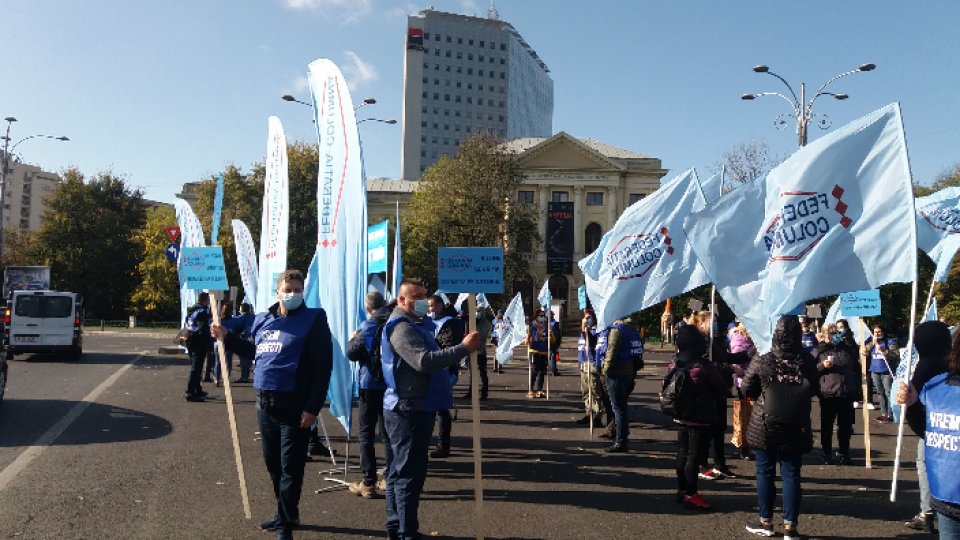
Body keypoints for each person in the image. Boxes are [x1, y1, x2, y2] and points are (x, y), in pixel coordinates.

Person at [213, 269, 333, 540]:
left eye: (297, 289)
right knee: (273, 465)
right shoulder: (263, 320)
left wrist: (312, 408)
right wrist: (227, 337)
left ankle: (285, 524)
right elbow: (254, 352)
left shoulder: (314, 320)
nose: (292, 294)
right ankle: (286, 512)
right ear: (276, 292)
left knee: (291, 467)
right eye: (287, 289)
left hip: (295, 405)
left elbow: (322, 367)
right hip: (265, 404)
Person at [380, 278, 481, 540]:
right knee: (408, 475)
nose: (425, 301)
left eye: (425, 295)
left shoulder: (417, 324)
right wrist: (463, 349)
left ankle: (397, 526)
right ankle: (407, 532)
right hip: (409, 409)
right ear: (402, 300)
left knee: (398, 471)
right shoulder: (401, 327)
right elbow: (423, 361)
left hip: (412, 405)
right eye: (418, 296)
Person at [742, 316, 819, 539]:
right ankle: (790, 528)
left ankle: (766, 522)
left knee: (765, 472)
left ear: (775, 334)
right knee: (792, 474)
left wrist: (764, 394)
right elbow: (813, 388)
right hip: (796, 422)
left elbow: (747, 387)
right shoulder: (806, 360)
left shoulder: (764, 358)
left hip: (765, 422)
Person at [900, 322, 960, 539]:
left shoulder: (933, 377)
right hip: (948, 497)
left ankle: (926, 512)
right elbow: (929, 428)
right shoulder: (939, 384)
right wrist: (912, 403)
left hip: (946, 492)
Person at [670, 324, 726, 511]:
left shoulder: (674, 362)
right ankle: (691, 493)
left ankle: (681, 489)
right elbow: (720, 387)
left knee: (682, 453)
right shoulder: (703, 365)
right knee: (694, 456)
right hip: (700, 415)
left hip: (680, 413)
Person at [345, 291, 393, 499]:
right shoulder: (395, 322)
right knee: (388, 434)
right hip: (391, 384)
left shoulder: (368, 326)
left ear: (367, 307)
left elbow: (352, 353)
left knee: (366, 434)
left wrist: (353, 339)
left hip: (369, 384)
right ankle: (391, 478)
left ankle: (368, 481)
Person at [695, 311, 741, 480]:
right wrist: (731, 369)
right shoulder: (702, 342)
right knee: (706, 430)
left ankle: (720, 465)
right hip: (707, 391)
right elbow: (708, 365)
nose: (715, 324)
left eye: (716, 320)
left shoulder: (717, 341)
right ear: (703, 324)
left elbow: (726, 357)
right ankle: (702, 465)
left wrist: (746, 354)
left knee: (719, 429)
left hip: (720, 390)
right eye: (712, 321)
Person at [814, 321, 861, 465]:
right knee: (827, 426)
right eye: (832, 332)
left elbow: (858, 365)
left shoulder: (846, 349)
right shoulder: (819, 350)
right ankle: (827, 453)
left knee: (845, 426)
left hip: (845, 392)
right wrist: (822, 365)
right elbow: (810, 369)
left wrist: (863, 354)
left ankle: (844, 453)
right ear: (824, 335)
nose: (835, 335)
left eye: (837, 332)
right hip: (828, 393)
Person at [426, 295, 465, 459]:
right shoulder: (429, 322)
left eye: (432, 306)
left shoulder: (450, 323)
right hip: (430, 369)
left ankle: (444, 445)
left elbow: (448, 347)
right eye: (428, 306)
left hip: (444, 371)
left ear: (440, 306)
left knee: (441, 409)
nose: (430, 309)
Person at [597, 318, 644, 453]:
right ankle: (622, 436)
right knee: (621, 407)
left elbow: (611, 351)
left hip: (617, 372)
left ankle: (620, 440)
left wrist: (605, 370)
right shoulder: (631, 329)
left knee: (618, 408)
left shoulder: (617, 330)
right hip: (629, 371)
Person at [577, 309, 610, 427]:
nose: (587, 320)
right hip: (583, 363)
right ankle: (588, 413)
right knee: (586, 391)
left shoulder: (596, 330)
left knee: (594, 391)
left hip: (592, 364)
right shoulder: (583, 331)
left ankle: (597, 415)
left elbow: (591, 342)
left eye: (589, 317)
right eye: (585, 317)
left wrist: (585, 330)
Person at [862, 324, 898, 423]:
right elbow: (865, 349)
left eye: (879, 332)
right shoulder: (873, 343)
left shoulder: (890, 342)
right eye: (875, 332)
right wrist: (866, 349)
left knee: (888, 393)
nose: (877, 334)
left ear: (883, 332)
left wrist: (884, 351)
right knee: (880, 393)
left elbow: (895, 355)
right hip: (875, 370)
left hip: (886, 371)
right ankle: (883, 413)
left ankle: (891, 414)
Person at [183, 292, 213, 402]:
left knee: (196, 367)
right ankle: (190, 392)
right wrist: (209, 341)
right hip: (198, 341)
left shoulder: (192, 310)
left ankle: (197, 389)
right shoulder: (202, 311)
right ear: (206, 300)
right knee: (196, 368)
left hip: (190, 339)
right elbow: (203, 329)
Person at [220, 302, 256, 383]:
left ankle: (244, 377)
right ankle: (246, 376)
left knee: (243, 359)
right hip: (254, 339)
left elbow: (236, 327)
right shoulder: (255, 317)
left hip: (246, 339)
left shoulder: (241, 318)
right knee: (250, 359)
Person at [463, 308, 492, 400]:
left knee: (482, 373)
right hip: (471, 351)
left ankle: (484, 393)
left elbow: (479, 334)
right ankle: (471, 392)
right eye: (475, 311)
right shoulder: (471, 322)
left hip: (480, 351)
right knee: (472, 373)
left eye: (478, 311)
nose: (477, 313)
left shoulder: (486, 323)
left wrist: (473, 325)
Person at [527, 308, 552, 398]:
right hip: (534, 351)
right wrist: (527, 341)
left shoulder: (547, 326)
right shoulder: (531, 326)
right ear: (536, 317)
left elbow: (552, 340)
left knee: (542, 372)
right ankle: (530, 390)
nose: (542, 317)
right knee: (534, 371)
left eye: (543, 316)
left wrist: (550, 335)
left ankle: (539, 390)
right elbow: (527, 338)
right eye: (540, 316)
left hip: (544, 352)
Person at [213, 301, 234, 387]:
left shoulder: (218, 320)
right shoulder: (233, 320)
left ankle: (217, 378)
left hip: (218, 343)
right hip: (228, 342)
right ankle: (226, 378)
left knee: (218, 362)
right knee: (228, 362)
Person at [548, 310, 562, 376]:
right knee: (552, 356)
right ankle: (554, 371)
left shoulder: (544, 323)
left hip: (546, 342)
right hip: (553, 342)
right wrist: (558, 343)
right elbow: (558, 334)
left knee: (548, 356)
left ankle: (547, 370)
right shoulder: (555, 324)